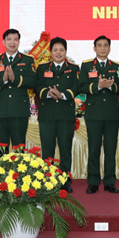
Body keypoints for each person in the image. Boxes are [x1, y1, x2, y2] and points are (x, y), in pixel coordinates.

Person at [78, 35, 119, 194]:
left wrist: (109, 86)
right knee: (94, 148)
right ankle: (93, 182)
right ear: (94, 48)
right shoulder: (87, 65)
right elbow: (81, 86)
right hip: (93, 112)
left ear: (109, 48)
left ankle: (110, 182)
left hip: (111, 113)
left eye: (105, 45)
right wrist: (97, 85)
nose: (102, 48)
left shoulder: (116, 66)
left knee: (110, 149)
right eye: (99, 45)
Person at [35, 37, 79, 192]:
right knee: (47, 149)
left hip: (65, 115)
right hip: (47, 115)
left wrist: (63, 94)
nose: (58, 53)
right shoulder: (42, 68)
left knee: (65, 148)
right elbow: (37, 85)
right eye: (55, 50)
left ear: (65, 51)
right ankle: (47, 180)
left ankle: (65, 179)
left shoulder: (73, 68)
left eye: (61, 50)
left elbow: (77, 86)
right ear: (50, 52)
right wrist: (47, 93)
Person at [0, 29, 36, 151]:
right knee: (1, 147)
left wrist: (15, 79)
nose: (12, 42)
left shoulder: (27, 60)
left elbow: (33, 81)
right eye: (9, 39)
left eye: (15, 39)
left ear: (19, 42)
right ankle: (0, 165)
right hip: (1, 109)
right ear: (3, 42)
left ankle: (19, 165)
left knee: (19, 147)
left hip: (19, 109)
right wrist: (2, 79)